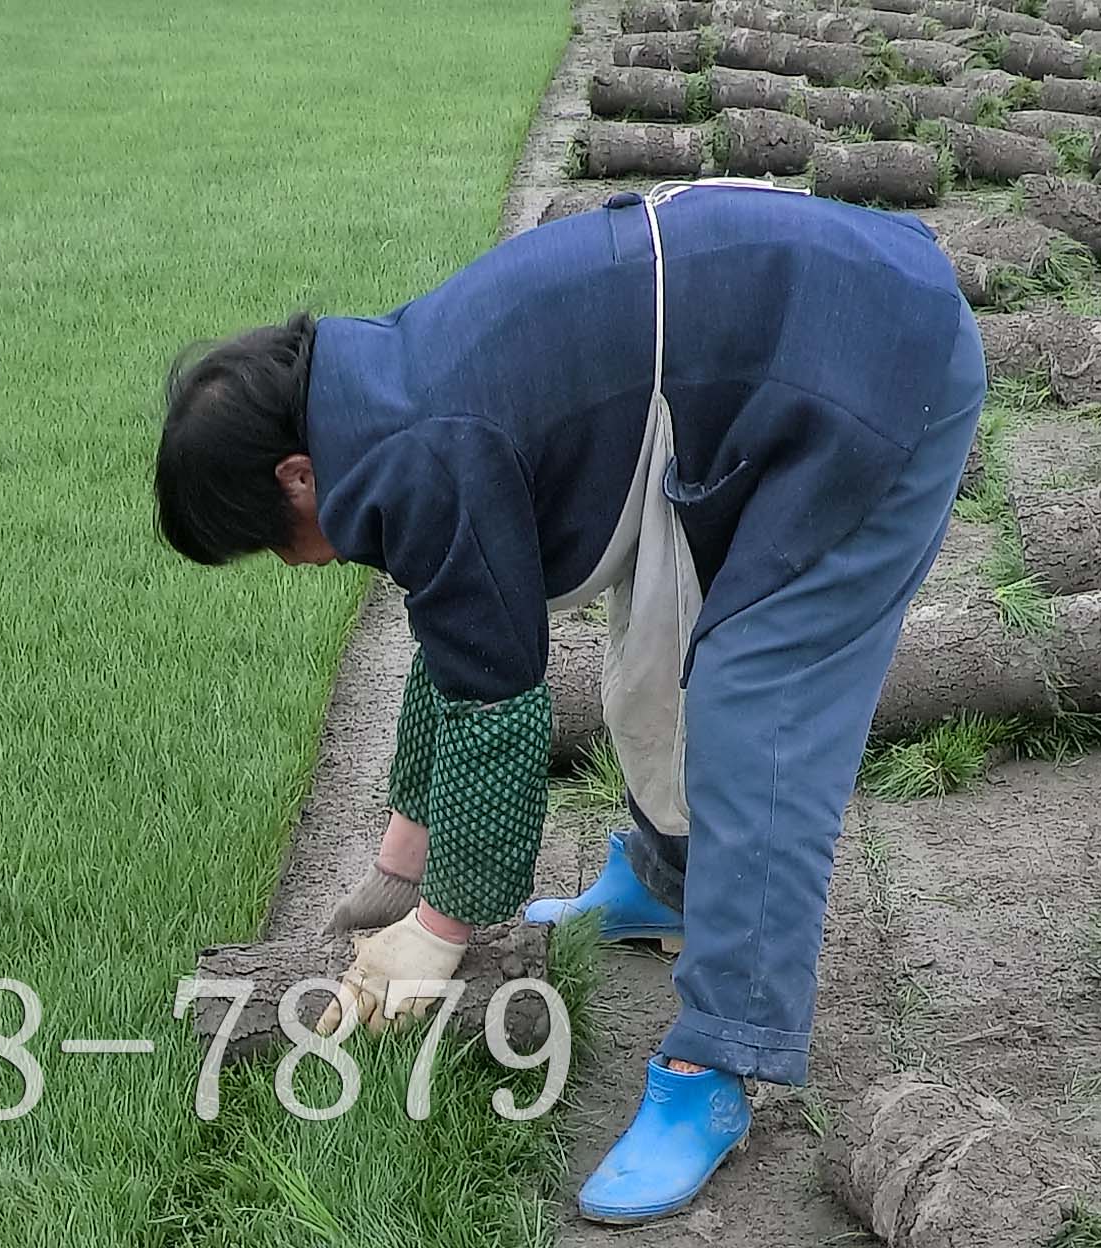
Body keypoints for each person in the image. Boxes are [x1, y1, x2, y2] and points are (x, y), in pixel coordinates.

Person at [152, 181, 983, 1224]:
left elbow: (498, 710)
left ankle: (721, 1063)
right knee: (649, 661)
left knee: (754, 707)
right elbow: (460, 640)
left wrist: (440, 930)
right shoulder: (367, 399)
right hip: (783, 348)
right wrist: (397, 870)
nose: (292, 562)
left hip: (873, 364)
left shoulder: (419, 446)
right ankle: (673, 883)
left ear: (294, 478)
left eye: (272, 541)